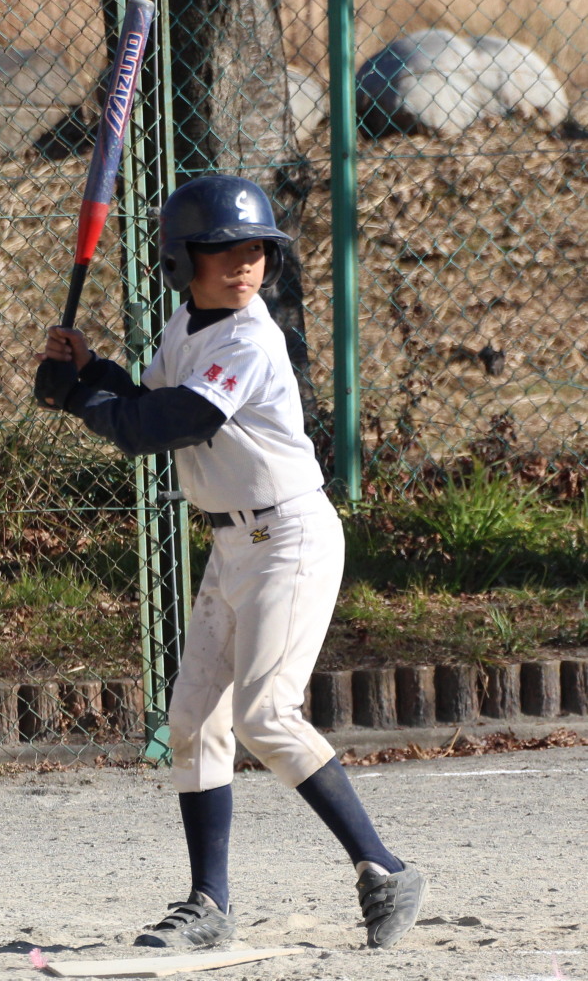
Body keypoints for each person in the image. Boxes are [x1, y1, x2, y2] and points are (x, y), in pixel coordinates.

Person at [33, 175, 427, 951]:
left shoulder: (250, 337)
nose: (245, 263)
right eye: (223, 251)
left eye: (256, 249)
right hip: (232, 544)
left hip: (291, 539)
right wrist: (90, 370)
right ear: (182, 263)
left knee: (264, 717)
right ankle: (208, 904)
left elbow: (163, 425)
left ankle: (385, 869)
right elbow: (146, 398)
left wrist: (77, 400)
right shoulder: (187, 324)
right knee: (191, 721)